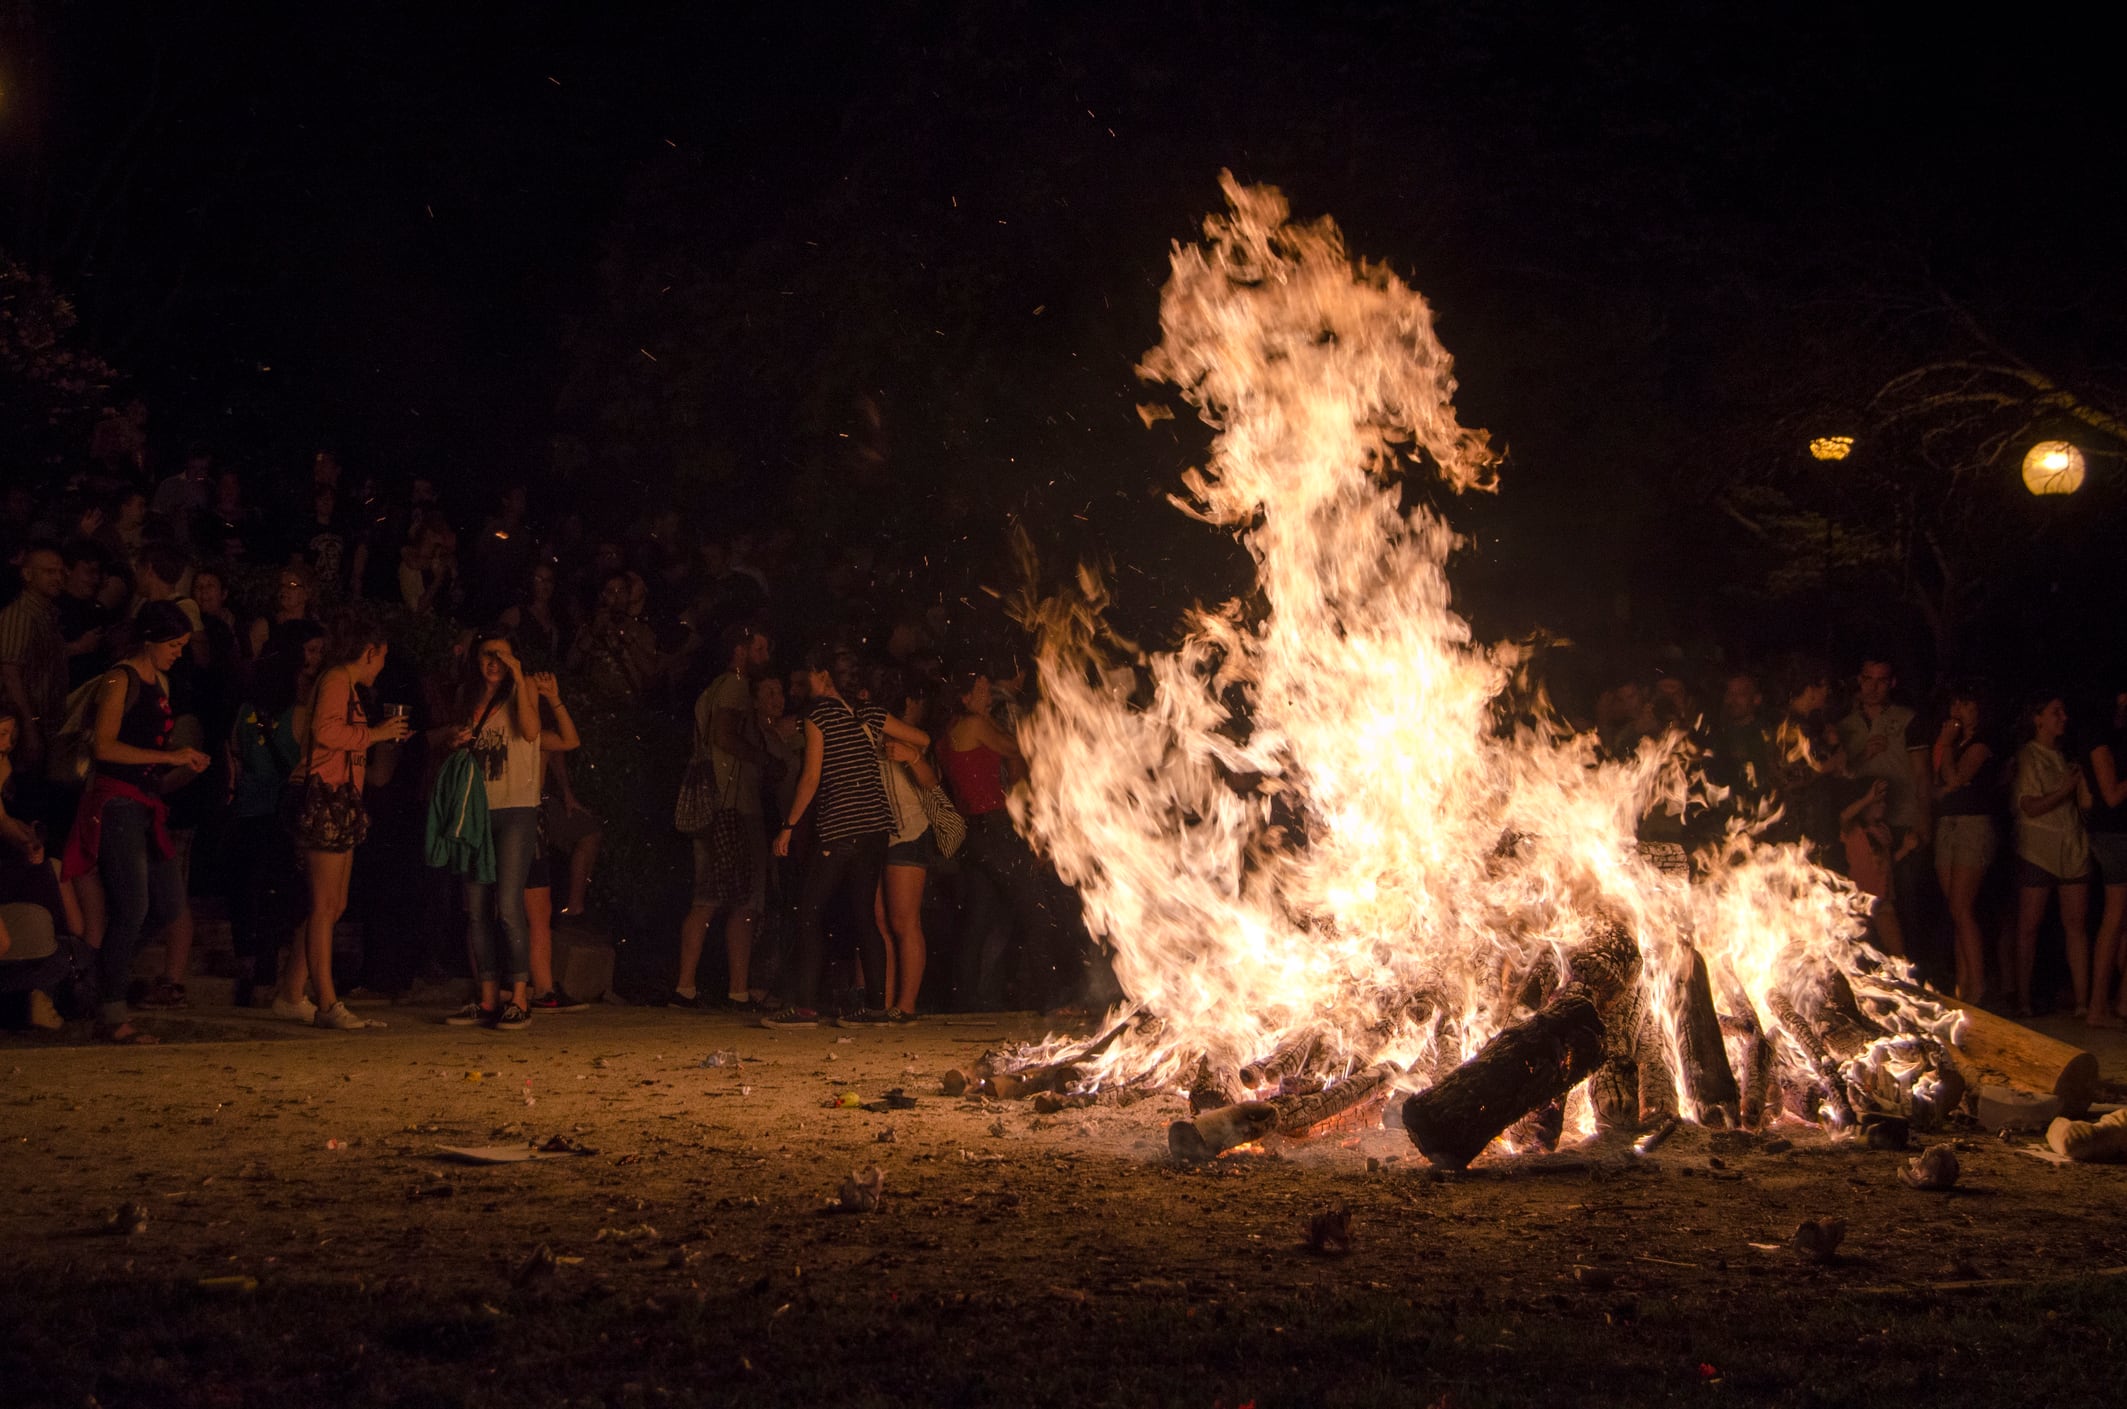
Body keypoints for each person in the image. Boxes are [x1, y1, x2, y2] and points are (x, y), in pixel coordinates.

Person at [58, 602, 211, 1043]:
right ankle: (110, 1010)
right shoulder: (119, 678)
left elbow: (147, 763)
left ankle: (99, 981)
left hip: (143, 802)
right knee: (133, 905)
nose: (178, 653)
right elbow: (105, 747)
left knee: (164, 906)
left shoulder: (157, 681)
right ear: (151, 640)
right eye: (174, 645)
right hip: (116, 802)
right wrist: (171, 756)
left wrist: (184, 768)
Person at [764, 646, 929, 1028]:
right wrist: (905, 751)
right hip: (875, 829)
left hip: (841, 828)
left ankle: (805, 1007)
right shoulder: (868, 712)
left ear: (824, 677)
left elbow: (811, 776)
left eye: (810, 675)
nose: (806, 682)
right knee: (863, 918)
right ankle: (875, 1008)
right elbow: (923, 737)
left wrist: (788, 826)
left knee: (808, 913)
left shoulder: (818, 714)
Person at [289, 611, 410, 1031]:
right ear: (369, 652)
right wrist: (375, 734)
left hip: (342, 801)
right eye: (381, 658)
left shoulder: (347, 686)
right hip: (327, 799)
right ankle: (326, 1001)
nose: (381, 667)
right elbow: (325, 732)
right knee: (325, 905)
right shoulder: (338, 679)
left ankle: (290, 993)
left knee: (333, 904)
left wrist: (379, 735)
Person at [440, 633, 547, 1031]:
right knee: (477, 908)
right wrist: (455, 741)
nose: (494, 662)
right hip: (476, 808)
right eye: (488, 654)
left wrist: (520, 677)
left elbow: (532, 731)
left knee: (507, 904)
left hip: (516, 807)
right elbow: (460, 741)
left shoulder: (522, 688)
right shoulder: (468, 696)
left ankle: (520, 996)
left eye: (503, 655)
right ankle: (487, 998)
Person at [672, 626, 775, 1012]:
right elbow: (724, 736)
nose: (766, 656)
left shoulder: (710, 690)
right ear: (740, 650)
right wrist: (764, 760)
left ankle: (686, 986)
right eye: (760, 648)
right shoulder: (734, 685)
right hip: (733, 806)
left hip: (709, 806)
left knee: (706, 897)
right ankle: (736, 990)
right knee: (744, 900)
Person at [225, 622, 322, 1014]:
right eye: (312, 652)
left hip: (247, 810)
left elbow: (234, 751)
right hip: (279, 814)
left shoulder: (248, 710)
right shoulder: (300, 713)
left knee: (252, 897)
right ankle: (273, 980)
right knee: (281, 899)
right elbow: (306, 762)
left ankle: (256, 977)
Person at [2010, 696, 2092, 1017]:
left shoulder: (2067, 757)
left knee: (2077, 926)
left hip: (2071, 845)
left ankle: (2085, 1003)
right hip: (2037, 850)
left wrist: (2080, 783)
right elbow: (2029, 805)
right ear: (2038, 718)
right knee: (2029, 926)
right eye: (2055, 712)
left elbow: (2084, 804)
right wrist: (2065, 789)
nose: (2064, 717)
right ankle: (2024, 1000)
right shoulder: (2029, 756)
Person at [873, 667, 944, 1022]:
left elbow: (932, 783)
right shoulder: (868, 728)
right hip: (879, 835)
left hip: (910, 832)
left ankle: (907, 1006)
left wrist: (910, 755)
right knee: (882, 923)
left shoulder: (901, 733)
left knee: (905, 922)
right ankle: (886, 1005)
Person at [1931, 685, 2000, 1004]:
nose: (1958, 708)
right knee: (1955, 909)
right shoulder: (1952, 744)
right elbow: (1939, 783)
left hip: (1973, 826)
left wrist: (1945, 745)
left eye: (1966, 702)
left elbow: (1955, 777)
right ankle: (1963, 983)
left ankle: (1978, 984)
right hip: (1948, 824)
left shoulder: (1981, 745)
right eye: (1956, 701)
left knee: (1962, 906)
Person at [0, 543, 69, 781]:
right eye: (49, 572)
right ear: (28, 574)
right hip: (21, 726)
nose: (58, 578)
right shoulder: (20, 615)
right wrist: (28, 727)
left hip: (42, 721)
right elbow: (10, 672)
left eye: (61, 572)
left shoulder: (46, 612)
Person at [2083, 691, 2127, 1027]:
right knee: (2114, 917)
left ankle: (2121, 1003)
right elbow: (2110, 795)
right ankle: (2098, 1007)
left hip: (2117, 834)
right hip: (2115, 836)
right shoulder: (2100, 742)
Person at [1839, 778, 1912, 956]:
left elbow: (1886, 864)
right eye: (1877, 802)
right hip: (1861, 900)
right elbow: (1844, 816)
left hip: (1883, 898)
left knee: (1896, 952)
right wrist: (1868, 798)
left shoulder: (1883, 831)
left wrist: (1905, 849)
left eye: (1883, 802)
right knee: (1861, 951)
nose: (1882, 806)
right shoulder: (1855, 830)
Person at [248, 564, 318, 659]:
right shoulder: (265, 626)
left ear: (307, 592)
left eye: (292, 585)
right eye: (282, 585)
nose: (284, 590)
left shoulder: (314, 627)